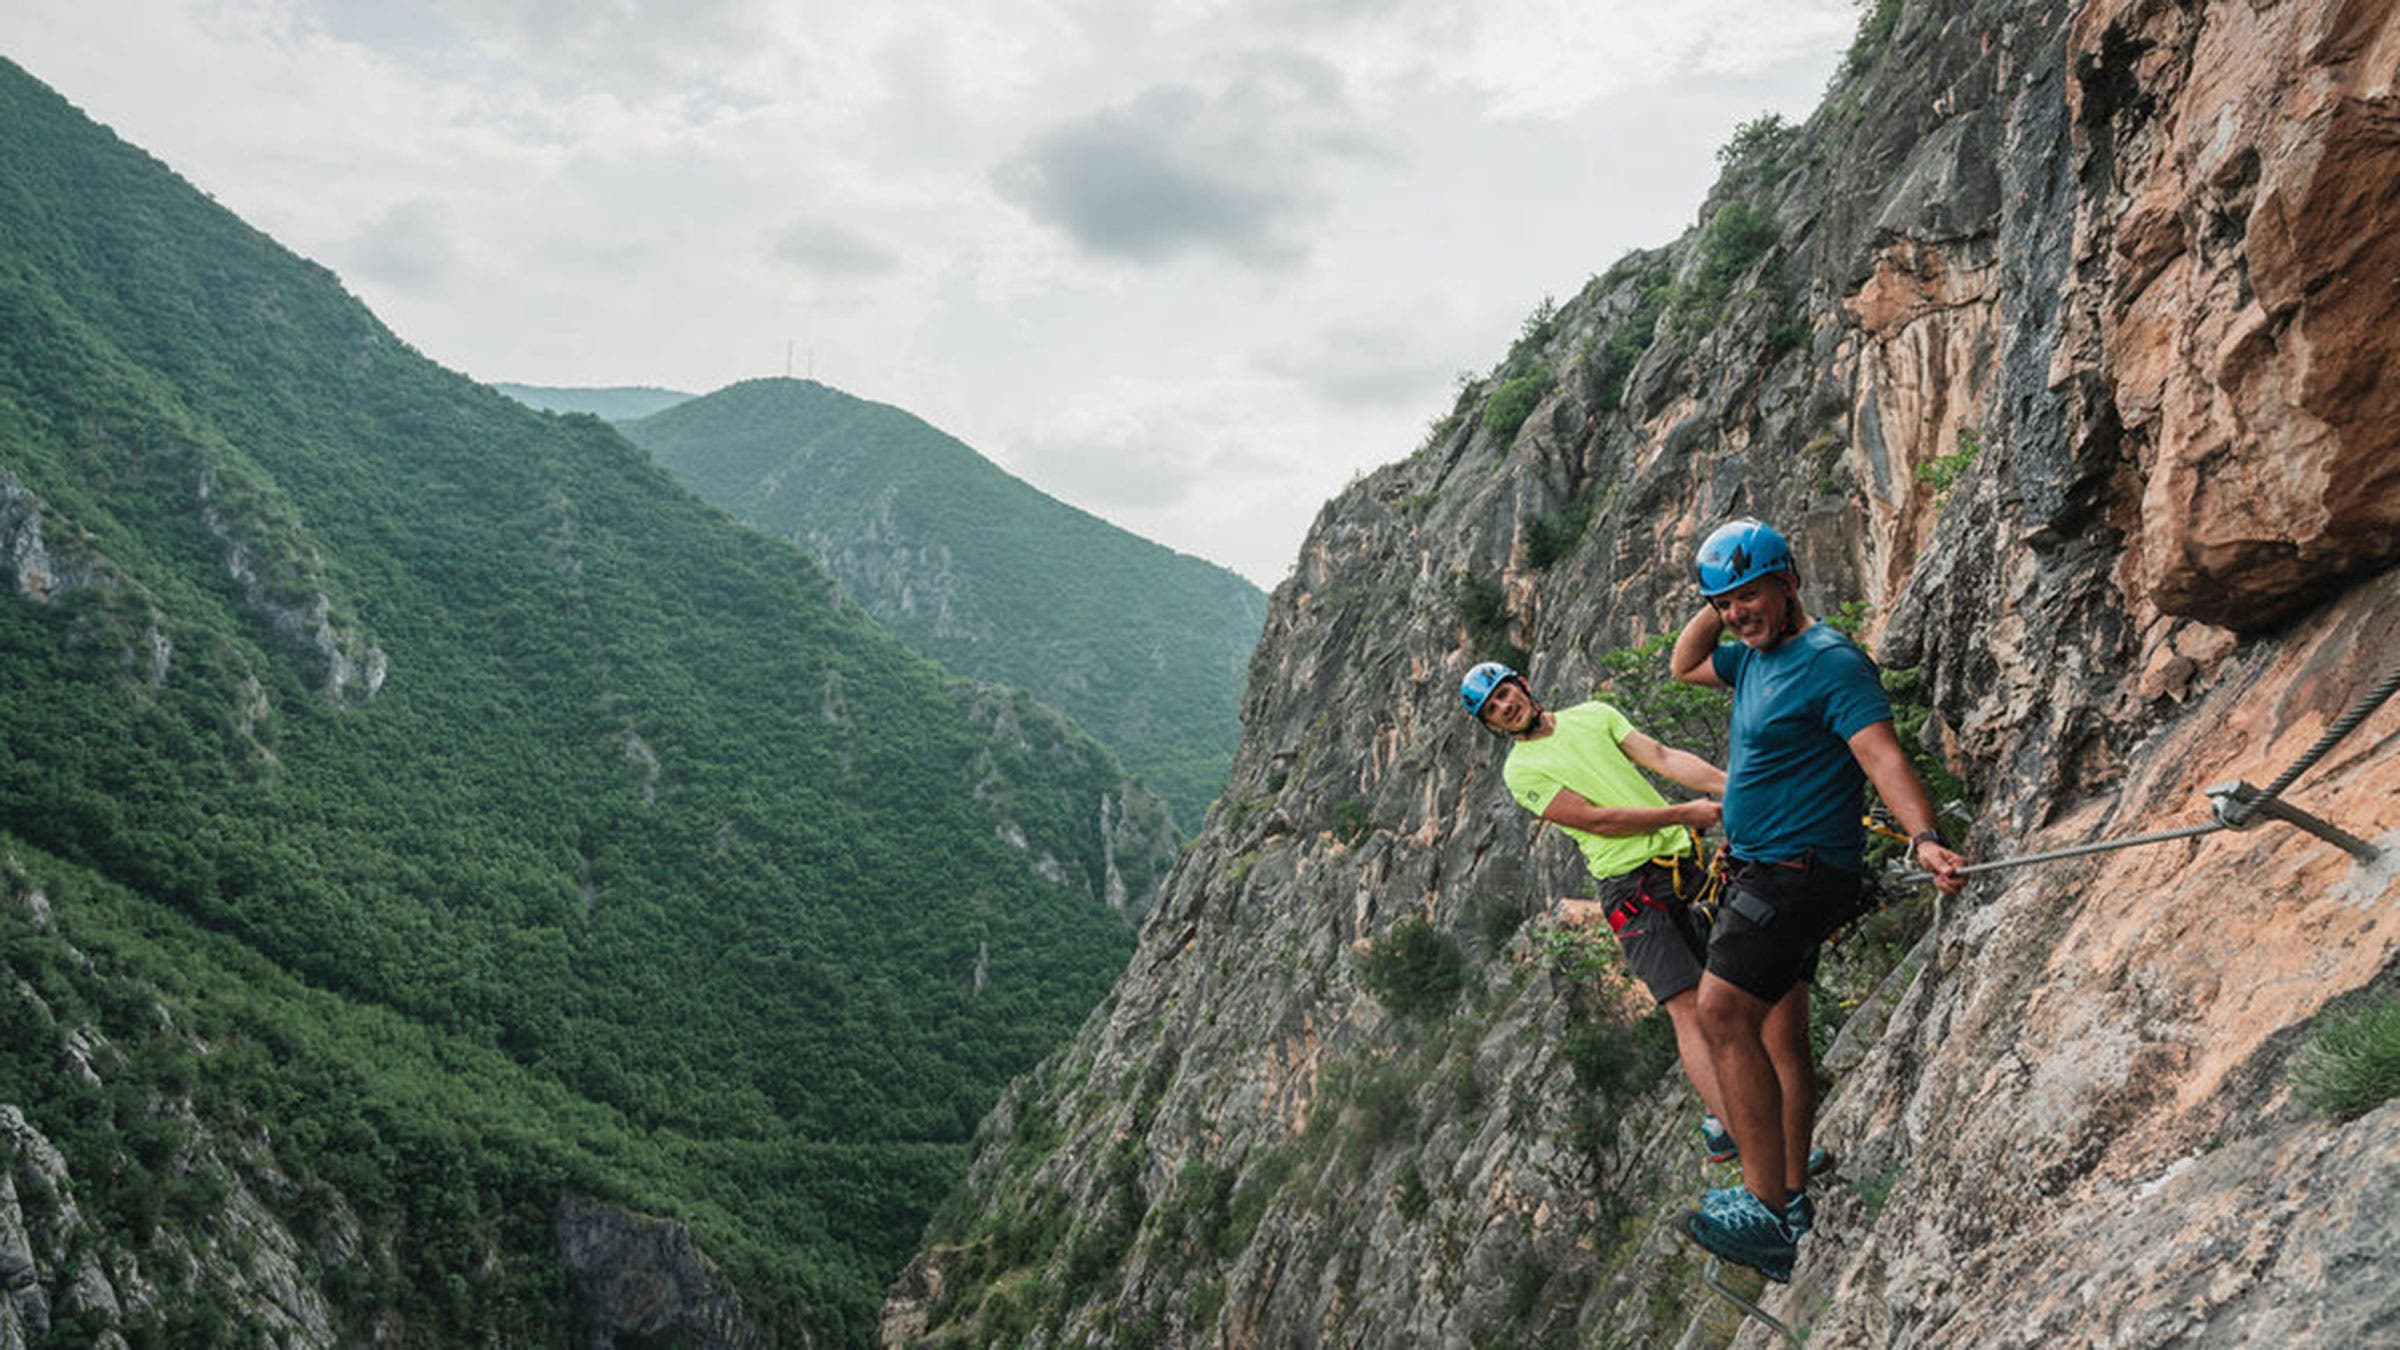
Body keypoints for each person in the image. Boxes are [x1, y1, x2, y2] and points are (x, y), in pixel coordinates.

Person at [1667, 517, 1967, 1283]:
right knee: (1780, 1035)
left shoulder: (1828, 662)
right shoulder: (1753, 660)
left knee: (1719, 1013)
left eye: (1752, 595)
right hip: (1772, 872)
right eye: (1726, 603)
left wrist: (1924, 835)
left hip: (1792, 876)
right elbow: (1683, 663)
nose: (1738, 614)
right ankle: (1794, 1198)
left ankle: (1766, 1208)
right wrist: (1722, 595)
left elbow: (1879, 752)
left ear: (1791, 581)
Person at [1460, 659, 1740, 1155]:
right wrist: (1683, 812)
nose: (1506, 706)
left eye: (1505, 693)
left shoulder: (1593, 714)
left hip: (1680, 864)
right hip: (1631, 890)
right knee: (1689, 1009)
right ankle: (1736, 1127)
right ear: (1491, 725)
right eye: (1494, 709)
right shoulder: (1521, 771)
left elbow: (1661, 755)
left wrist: (1733, 786)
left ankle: (1745, 1110)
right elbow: (1598, 821)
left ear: (1522, 686)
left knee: (1734, 988)